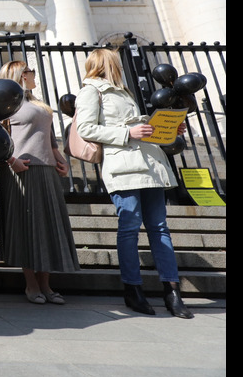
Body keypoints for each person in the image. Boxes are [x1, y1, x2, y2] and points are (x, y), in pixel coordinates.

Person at [75, 48, 193, 319]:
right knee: (129, 227)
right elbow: (86, 129)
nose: (120, 64)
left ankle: (172, 291)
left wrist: (167, 128)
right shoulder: (92, 90)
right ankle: (132, 289)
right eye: (116, 61)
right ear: (107, 63)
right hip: (123, 165)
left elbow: (140, 128)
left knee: (159, 227)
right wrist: (128, 132)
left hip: (149, 163)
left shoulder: (122, 90)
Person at [0, 61, 80, 305]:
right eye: (30, 71)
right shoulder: (6, 104)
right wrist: (11, 161)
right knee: (28, 227)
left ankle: (46, 284)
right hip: (22, 169)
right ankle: (32, 285)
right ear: (20, 75)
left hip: (46, 169)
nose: (34, 75)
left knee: (47, 226)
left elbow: (49, 136)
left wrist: (58, 157)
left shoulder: (38, 103)